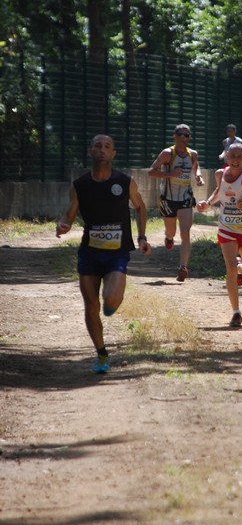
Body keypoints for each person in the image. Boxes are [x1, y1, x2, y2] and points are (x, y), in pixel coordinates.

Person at [56, 134, 151, 374]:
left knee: (110, 301)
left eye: (107, 146)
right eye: (97, 145)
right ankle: (101, 354)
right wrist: (63, 224)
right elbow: (69, 214)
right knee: (90, 304)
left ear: (113, 153)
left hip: (117, 252)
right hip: (89, 252)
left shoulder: (125, 181)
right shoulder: (80, 185)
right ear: (90, 151)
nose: (102, 150)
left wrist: (141, 237)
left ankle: (111, 304)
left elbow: (140, 207)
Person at [198, 142, 242, 327]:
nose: (234, 160)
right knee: (230, 268)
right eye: (231, 156)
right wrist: (208, 203)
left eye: (239, 156)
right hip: (226, 229)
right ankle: (236, 312)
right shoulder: (220, 174)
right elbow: (219, 191)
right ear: (226, 156)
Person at [148, 123, 204, 282]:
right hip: (168, 199)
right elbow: (152, 172)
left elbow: (196, 167)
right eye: (180, 134)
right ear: (175, 136)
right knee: (171, 231)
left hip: (186, 198)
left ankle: (183, 267)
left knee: (185, 232)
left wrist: (198, 176)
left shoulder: (193, 154)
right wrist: (171, 174)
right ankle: (169, 237)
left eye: (187, 135)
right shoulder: (167, 154)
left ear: (189, 138)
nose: (183, 138)